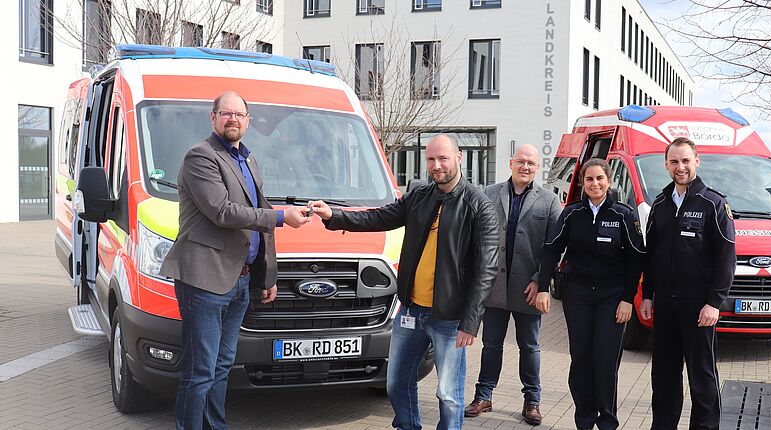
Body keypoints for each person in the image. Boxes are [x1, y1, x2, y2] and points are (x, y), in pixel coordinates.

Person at [308, 134, 500, 430]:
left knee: (448, 394)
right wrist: (335, 216)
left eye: (443, 158)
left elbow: (487, 269)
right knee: (396, 383)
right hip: (411, 311)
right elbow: (379, 218)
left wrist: (470, 322)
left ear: (459, 157)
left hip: (450, 319)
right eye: (431, 159)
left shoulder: (479, 206)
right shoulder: (420, 196)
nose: (437, 166)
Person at [159, 92, 312, 430]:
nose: (233, 119)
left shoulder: (248, 159)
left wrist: (266, 276)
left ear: (248, 121)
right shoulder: (200, 156)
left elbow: (261, 217)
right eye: (226, 113)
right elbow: (223, 212)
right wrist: (284, 216)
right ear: (213, 118)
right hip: (205, 281)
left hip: (239, 281)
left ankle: (216, 425)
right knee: (200, 370)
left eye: (239, 114)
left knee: (222, 365)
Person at [537, 158, 644, 430]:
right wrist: (542, 288)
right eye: (589, 179)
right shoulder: (572, 214)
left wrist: (627, 299)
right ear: (582, 183)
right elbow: (551, 248)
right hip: (579, 297)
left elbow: (636, 259)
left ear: (609, 181)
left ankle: (608, 421)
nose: (594, 184)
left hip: (612, 298)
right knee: (582, 359)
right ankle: (584, 419)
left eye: (599, 178)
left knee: (605, 361)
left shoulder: (623, 214)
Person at [639, 137, 736, 430]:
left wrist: (714, 302)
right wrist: (647, 295)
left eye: (685, 160)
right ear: (666, 165)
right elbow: (651, 254)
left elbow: (726, 257)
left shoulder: (713, 203)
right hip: (666, 305)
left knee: (702, 375)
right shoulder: (660, 203)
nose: (680, 167)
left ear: (697, 161)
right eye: (674, 162)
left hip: (699, 306)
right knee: (664, 375)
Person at [464, 144, 562, 426]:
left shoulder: (549, 201)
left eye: (531, 163)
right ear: (511, 163)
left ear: (538, 167)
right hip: (494, 287)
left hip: (527, 289)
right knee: (491, 344)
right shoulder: (489, 194)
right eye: (521, 162)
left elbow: (554, 248)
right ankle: (484, 395)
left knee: (530, 347)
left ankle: (532, 401)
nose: (525, 167)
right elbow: (475, 237)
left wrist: (538, 281)